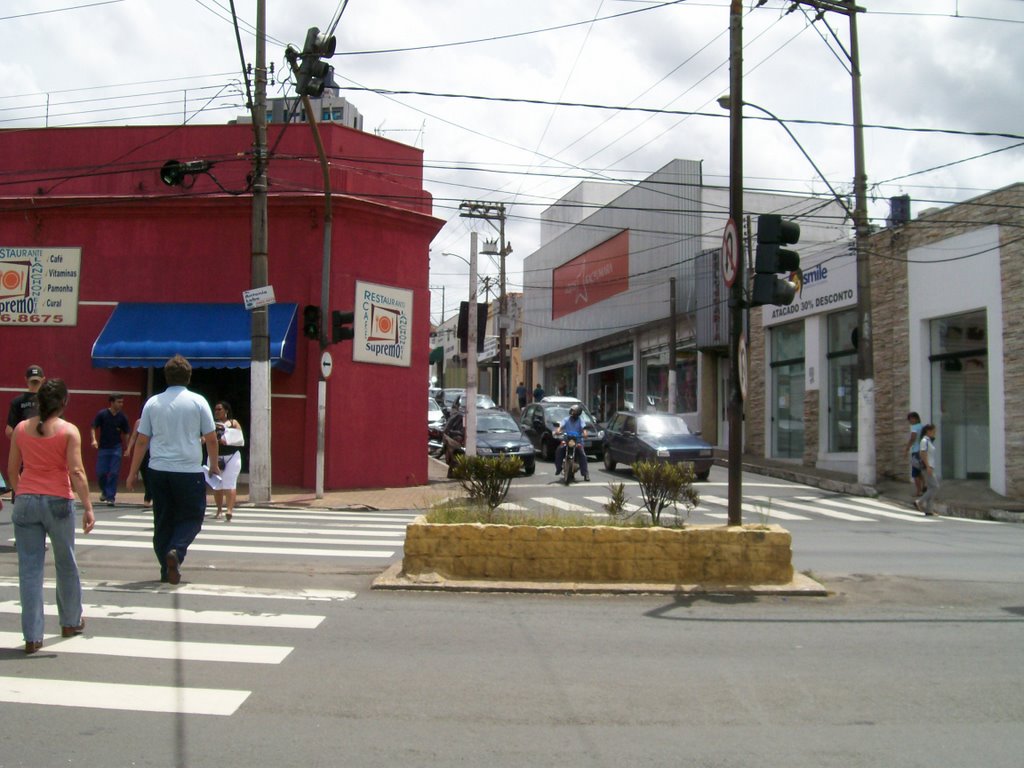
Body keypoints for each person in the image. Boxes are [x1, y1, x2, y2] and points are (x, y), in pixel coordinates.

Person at [7, 378, 95, 654]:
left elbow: (12, 469)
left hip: (26, 500)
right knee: (65, 562)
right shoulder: (69, 431)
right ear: (64, 403)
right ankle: (70, 620)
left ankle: (32, 636)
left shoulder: (21, 428)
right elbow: (77, 472)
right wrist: (88, 506)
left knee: (30, 570)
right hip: (58, 500)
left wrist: (20, 491)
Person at [126, 355, 219, 585]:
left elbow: (141, 440)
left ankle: (164, 569)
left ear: (165, 376)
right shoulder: (198, 402)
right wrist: (214, 465)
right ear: (189, 376)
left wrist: (132, 472)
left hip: (158, 470)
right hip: (188, 470)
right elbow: (211, 438)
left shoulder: (153, 402)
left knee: (163, 519)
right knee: (193, 516)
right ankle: (176, 551)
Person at [90, 393, 130, 506]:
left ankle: (110, 496)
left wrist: (128, 447)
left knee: (113, 473)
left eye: (122, 402)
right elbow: (93, 427)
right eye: (119, 402)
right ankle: (105, 491)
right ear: (112, 402)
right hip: (103, 448)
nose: (121, 404)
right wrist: (94, 440)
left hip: (116, 448)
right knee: (101, 472)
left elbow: (126, 433)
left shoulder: (122, 417)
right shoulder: (102, 414)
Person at [211, 400, 244, 522]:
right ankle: (219, 509)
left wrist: (226, 434)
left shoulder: (233, 422)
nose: (217, 411)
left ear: (226, 411)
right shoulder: (211, 424)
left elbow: (239, 438)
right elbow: (207, 438)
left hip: (232, 456)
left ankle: (229, 510)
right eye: (215, 409)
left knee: (230, 483)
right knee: (217, 485)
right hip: (216, 456)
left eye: (219, 409)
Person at [6, 364, 45, 439]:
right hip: (43, 446)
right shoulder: (49, 401)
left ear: (26, 380)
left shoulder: (17, 401)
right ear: (43, 380)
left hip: (24, 446)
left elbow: (9, 431)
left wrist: (23, 442)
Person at [553, 404, 590, 481]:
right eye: (571, 410)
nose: (571, 412)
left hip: (577, 441)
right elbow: (560, 427)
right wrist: (558, 431)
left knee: (583, 455)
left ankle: (585, 474)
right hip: (566, 440)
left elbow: (584, 429)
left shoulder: (581, 421)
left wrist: (585, 434)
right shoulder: (566, 419)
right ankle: (558, 468)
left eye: (573, 411)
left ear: (577, 412)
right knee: (559, 450)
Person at [915, 424, 940, 516]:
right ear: (928, 431)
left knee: (931, 488)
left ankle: (929, 510)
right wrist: (928, 466)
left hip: (930, 466)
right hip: (927, 467)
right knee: (935, 486)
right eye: (933, 431)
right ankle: (920, 501)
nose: (934, 433)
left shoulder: (929, 441)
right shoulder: (924, 441)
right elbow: (923, 453)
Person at [126, 417, 152, 507]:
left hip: (153, 451)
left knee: (150, 475)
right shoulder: (138, 422)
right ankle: (149, 495)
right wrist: (129, 449)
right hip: (143, 451)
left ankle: (148, 498)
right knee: (145, 474)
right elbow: (134, 437)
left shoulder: (155, 420)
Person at [904, 411, 925, 499]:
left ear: (914, 418)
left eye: (910, 419)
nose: (910, 422)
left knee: (915, 473)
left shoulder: (914, 427)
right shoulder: (922, 427)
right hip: (922, 451)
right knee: (919, 471)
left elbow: (913, 438)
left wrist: (907, 448)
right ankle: (924, 485)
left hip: (916, 451)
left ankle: (919, 491)